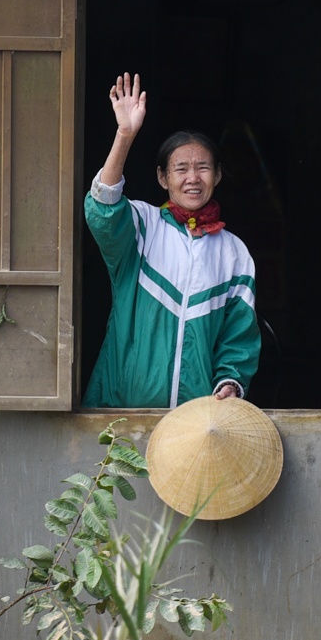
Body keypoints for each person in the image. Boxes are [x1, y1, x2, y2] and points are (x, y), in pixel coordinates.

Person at [83, 73, 260, 409]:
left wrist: (230, 383)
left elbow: (239, 337)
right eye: (180, 169)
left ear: (218, 175)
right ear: (163, 178)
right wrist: (125, 135)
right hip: (123, 408)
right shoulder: (141, 226)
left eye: (203, 168)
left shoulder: (234, 253)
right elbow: (102, 208)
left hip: (195, 423)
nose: (193, 178)